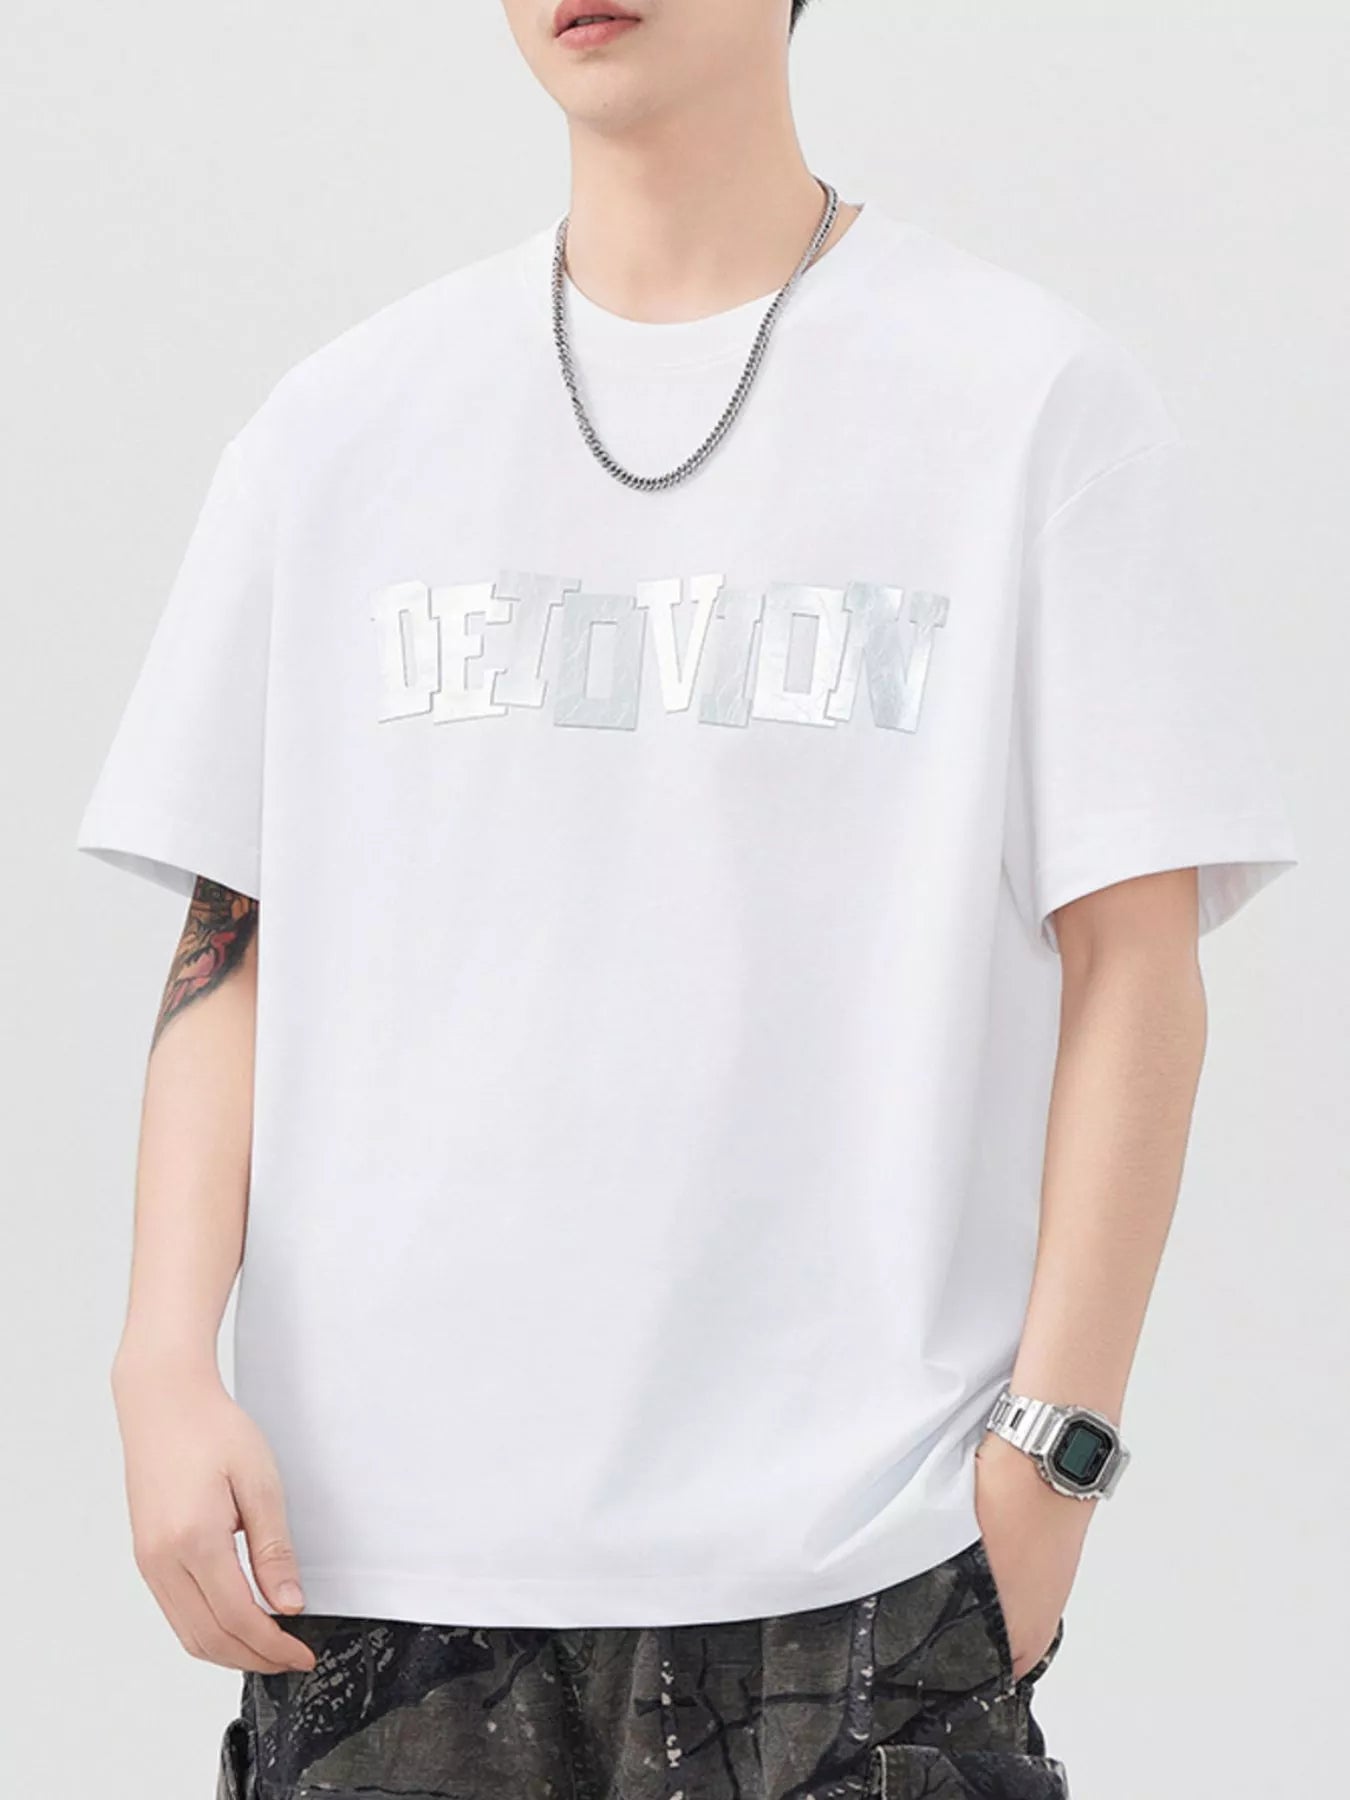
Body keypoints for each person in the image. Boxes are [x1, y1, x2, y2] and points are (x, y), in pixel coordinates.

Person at [75, 3, 1298, 1796]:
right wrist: (159, 1363)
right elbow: (236, 934)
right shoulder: (339, 427)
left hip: (860, 1559)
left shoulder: (1027, 403)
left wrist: (1049, 1460)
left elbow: (1135, 962)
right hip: (373, 1562)